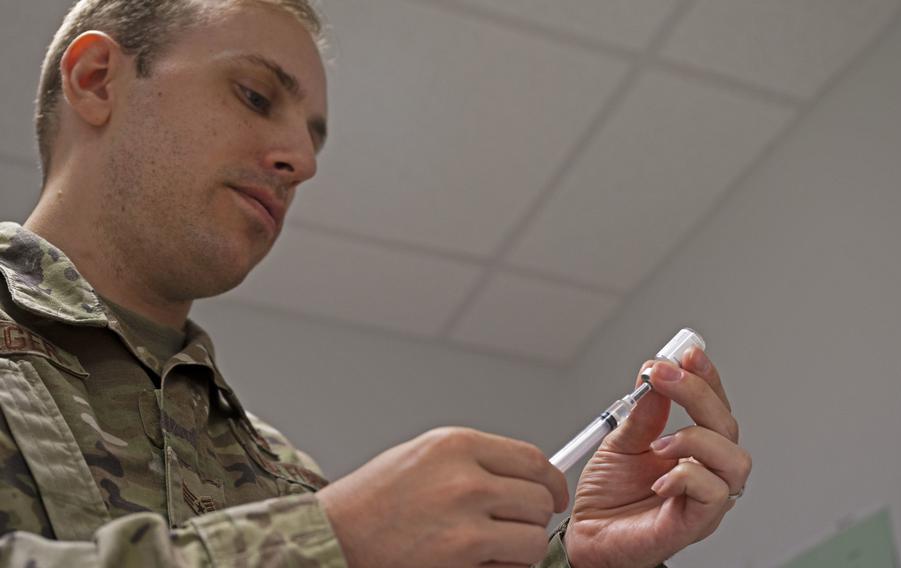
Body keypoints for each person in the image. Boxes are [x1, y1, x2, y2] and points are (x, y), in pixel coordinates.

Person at [0, 0, 752, 566]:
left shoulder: (280, 473)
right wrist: (331, 543)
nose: (302, 158)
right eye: (256, 96)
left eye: (313, 135)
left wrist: (582, 560)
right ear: (97, 80)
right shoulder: (325, 515)